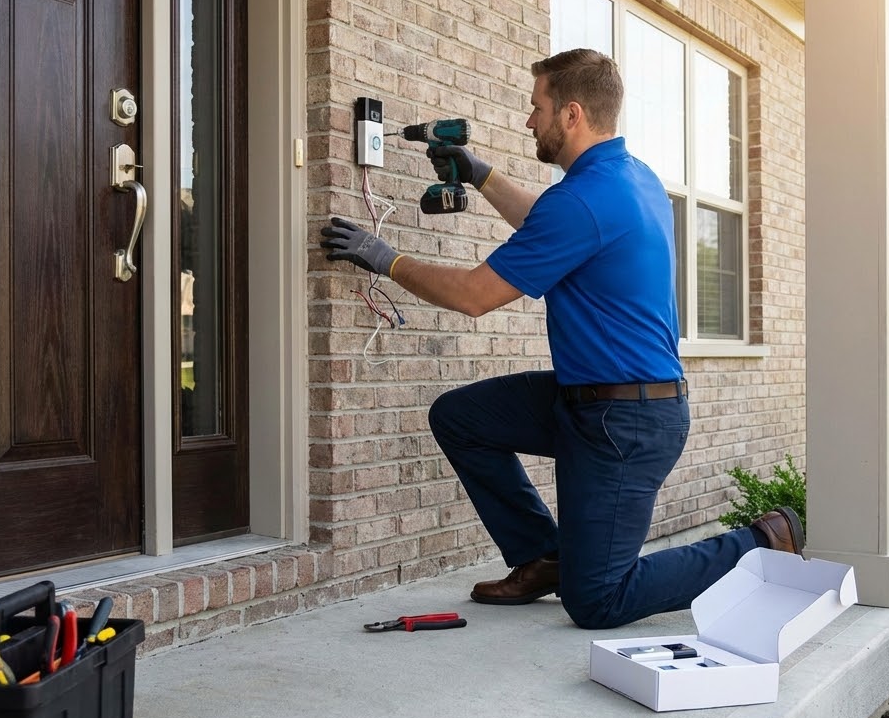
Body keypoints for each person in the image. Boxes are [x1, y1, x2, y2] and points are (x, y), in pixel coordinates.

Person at [320, 48, 804, 630]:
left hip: (625, 423)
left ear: (571, 114)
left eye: (537, 108)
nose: (529, 121)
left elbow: (476, 295)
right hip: (589, 399)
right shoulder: (628, 177)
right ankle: (544, 557)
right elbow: (548, 219)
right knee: (461, 417)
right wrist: (480, 173)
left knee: (599, 599)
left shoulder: (585, 199)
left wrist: (385, 259)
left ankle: (758, 544)